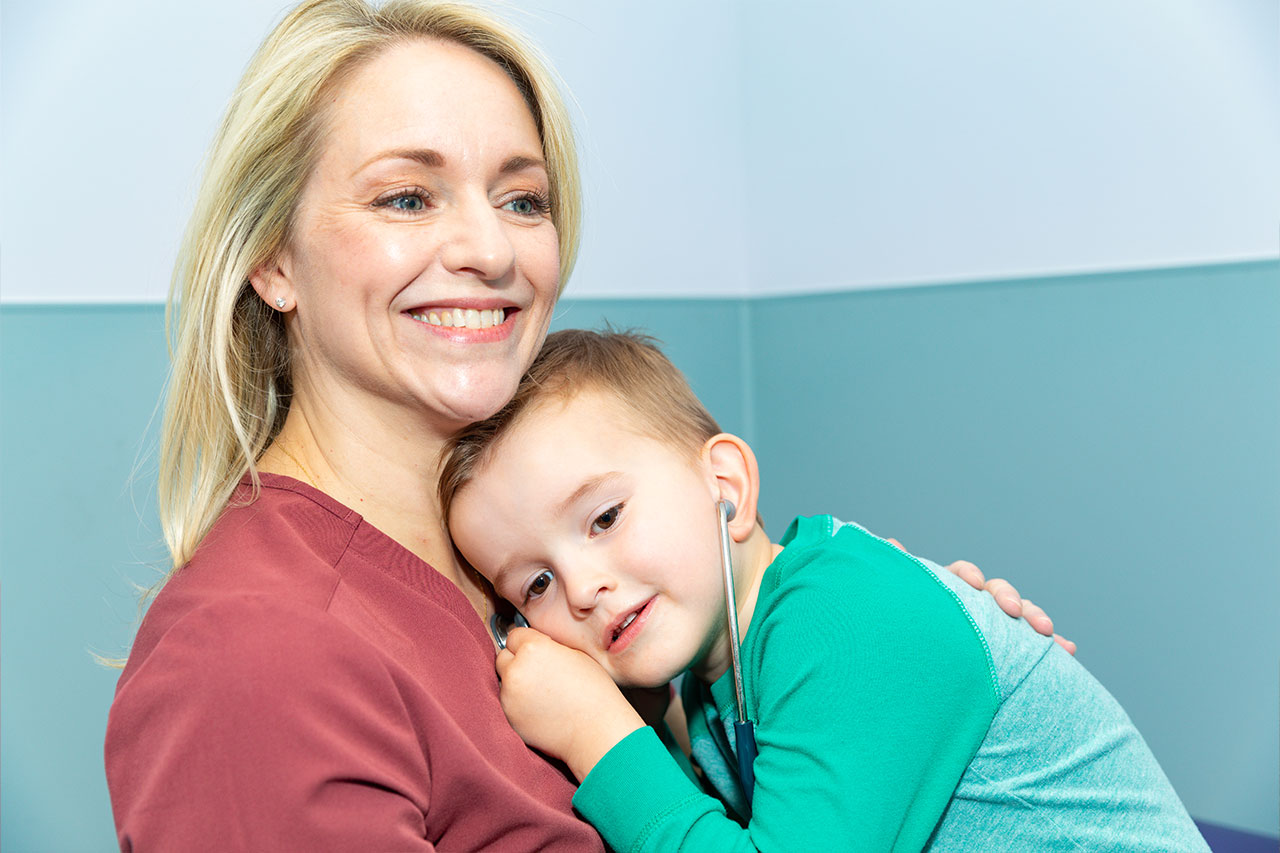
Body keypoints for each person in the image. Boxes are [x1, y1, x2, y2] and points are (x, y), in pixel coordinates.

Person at [104, 1, 1066, 849]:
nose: (488, 249)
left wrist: (912, 677)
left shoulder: (541, 584)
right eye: (407, 195)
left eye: (522, 199)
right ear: (271, 262)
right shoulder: (252, 656)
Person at [441, 329, 1209, 853]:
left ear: (727, 486)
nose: (582, 586)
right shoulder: (718, 677)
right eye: (535, 583)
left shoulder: (840, 616)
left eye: (604, 516)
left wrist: (598, 736)